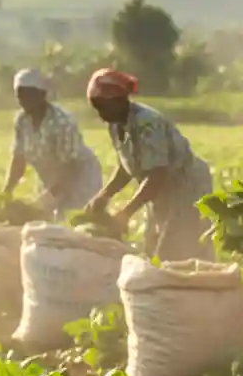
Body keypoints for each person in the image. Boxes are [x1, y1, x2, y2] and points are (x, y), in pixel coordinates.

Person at [82, 69, 214, 261]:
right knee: (152, 247)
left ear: (119, 100)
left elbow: (157, 174)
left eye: (104, 107)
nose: (101, 115)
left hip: (185, 186)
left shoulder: (147, 122)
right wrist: (104, 195)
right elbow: (126, 167)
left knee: (179, 250)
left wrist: (126, 212)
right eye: (97, 108)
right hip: (160, 190)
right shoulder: (116, 124)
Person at [2, 68, 103, 218]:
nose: (23, 101)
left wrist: (48, 198)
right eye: (20, 96)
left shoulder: (62, 121)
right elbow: (19, 159)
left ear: (42, 94)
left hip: (80, 180)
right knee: (46, 225)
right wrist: (6, 192)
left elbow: (71, 167)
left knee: (73, 223)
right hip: (50, 179)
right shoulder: (22, 120)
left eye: (28, 95)